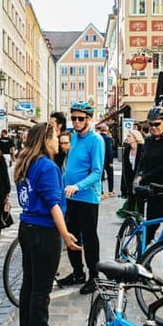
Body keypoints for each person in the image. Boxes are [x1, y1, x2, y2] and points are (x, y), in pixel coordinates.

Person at [14, 122, 81, 326]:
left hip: (27, 227)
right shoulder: (47, 166)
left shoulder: (26, 163)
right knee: (42, 286)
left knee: (30, 281)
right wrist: (65, 234)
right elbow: (53, 203)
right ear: (46, 140)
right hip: (44, 230)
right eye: (54, 138)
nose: (58, 142)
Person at [56, 101, 105, 295]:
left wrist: (78, 186)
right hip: (70, 196)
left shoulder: (96, 140)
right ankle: (78, 273)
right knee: (71, 235)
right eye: (73, 118)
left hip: (87, 197)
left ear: (89, 119)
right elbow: (70, 165)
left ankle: (94, 277)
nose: (76, 122)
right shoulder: (73, 138)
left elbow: (97, 172)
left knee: (89, 237)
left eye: (80, 119)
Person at [134, 107, 163, 240]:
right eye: (151, 124)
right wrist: (138, 176)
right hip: (152, 190)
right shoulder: (148, 141)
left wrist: (144, 177)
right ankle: (143, 258)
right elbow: (142, 161)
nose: (153, 127)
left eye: (157, 124)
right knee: (150, 230)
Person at [118, 129, 144, 218]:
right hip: (130, 176)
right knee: (131, 196)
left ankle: (140, 216)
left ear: (135, 138)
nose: (127, 138)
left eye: (129, 136)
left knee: (140, 198)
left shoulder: (142, 149)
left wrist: (141, 176)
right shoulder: (127, 150)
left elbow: (145, 164)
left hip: (141, 177)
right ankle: (130, 218)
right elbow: (125, 168)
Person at [98, 124, 115, 198]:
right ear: (107, 130)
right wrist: (111, 161)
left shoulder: (98, 137)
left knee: (100, 176)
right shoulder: (108, 138)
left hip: (99, 160)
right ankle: (110, 191)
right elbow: (109, 150)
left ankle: (101, 192)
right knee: (110, 175)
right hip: (107, 160)